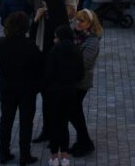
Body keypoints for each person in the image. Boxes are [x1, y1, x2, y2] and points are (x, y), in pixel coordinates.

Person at [0, 11, 42, 165]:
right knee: (26, 122)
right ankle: (25, 155)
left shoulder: (0, 43)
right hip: (27, 89)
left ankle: (4, 152)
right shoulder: (30, 46)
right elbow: (39, 64)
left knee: (6, 120)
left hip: (7, 87)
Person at [43, 24, 83, 166]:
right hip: (70, 91)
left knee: (54, 123)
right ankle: (65, 156)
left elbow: (48, 73)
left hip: (54, 93)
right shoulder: (76, 50)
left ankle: (54, 156)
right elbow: (80, 73)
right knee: (64, 123)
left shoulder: (54, 51)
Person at [67, 9, 102, 158]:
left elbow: (85, 62)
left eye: (82, 21)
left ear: (90, 24)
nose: (78, 23)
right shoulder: (76, 35)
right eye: (77, 20)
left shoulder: (92, 41)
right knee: (74, 111)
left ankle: (85, 142)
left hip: (81, 81)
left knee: (74, 111)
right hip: (72, 79)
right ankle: (83, 141)